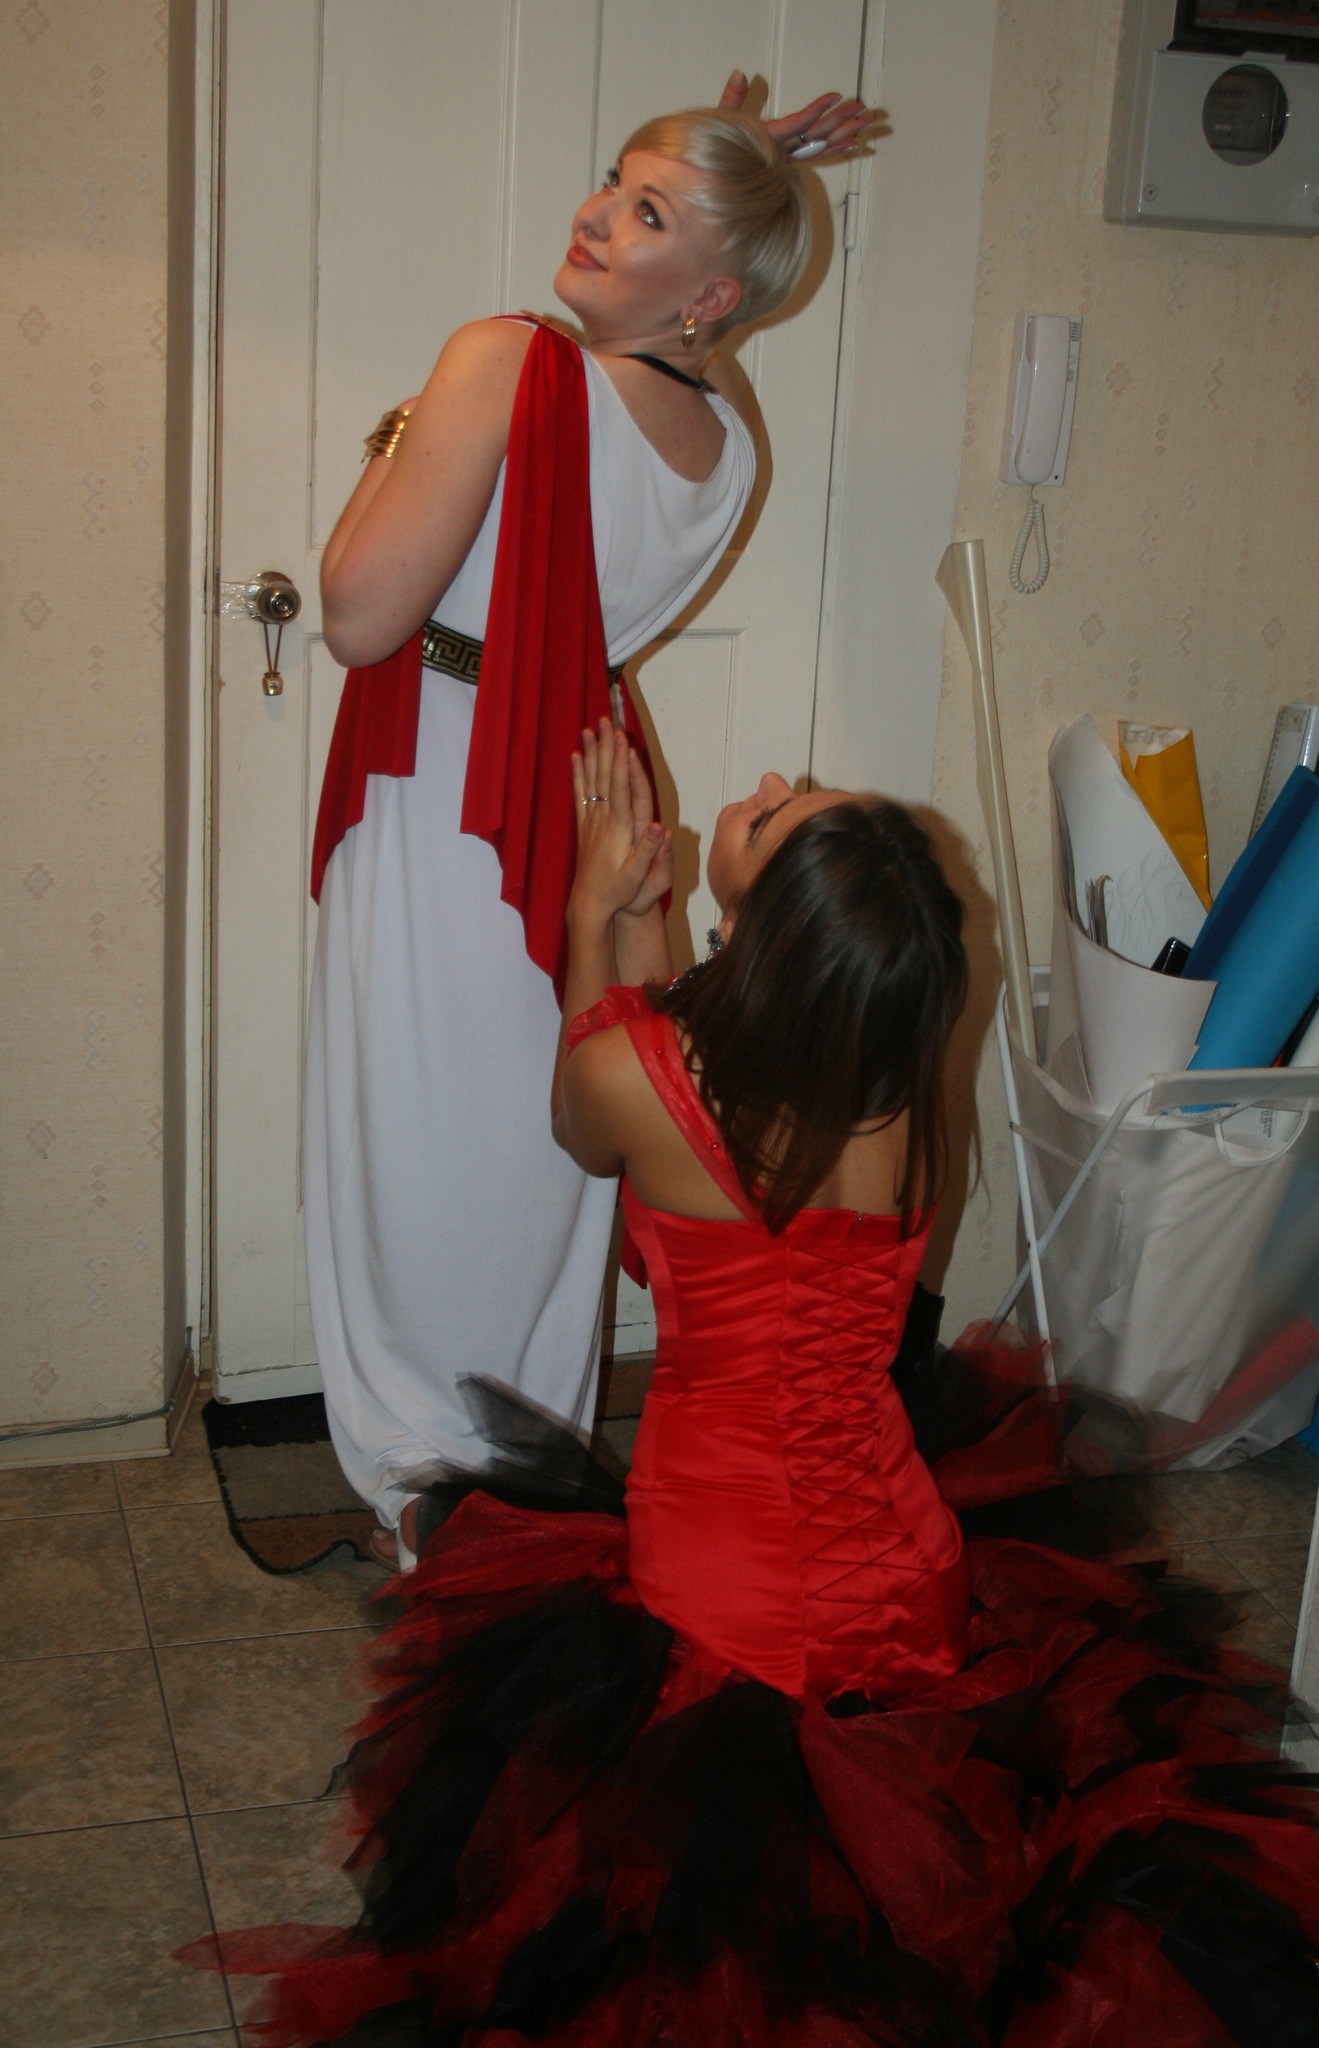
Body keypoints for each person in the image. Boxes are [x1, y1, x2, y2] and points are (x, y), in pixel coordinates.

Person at [203, 727, 1319, 2045]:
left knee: (693, 1939)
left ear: (772, 936)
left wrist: (592, 910)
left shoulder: (645, 1080)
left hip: (724, 1603)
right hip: (903, 1571)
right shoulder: (901, 1082)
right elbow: (704, 1068)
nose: (761, 788)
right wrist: (657, 914)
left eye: (776, 814)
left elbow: (586, 1106)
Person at [305, 88, 872, 1568]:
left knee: (411, 1139)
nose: (595, 215)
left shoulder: (505, 361)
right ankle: (525, 1471)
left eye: (645, 212)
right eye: (611, 183)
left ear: (711, 294)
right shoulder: (731, 440)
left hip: (448, 789)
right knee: (540, 1143)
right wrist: (743, 182)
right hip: (585, 791)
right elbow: (648, 403)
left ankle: (423, 1487)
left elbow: (357, 614)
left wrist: (404, 429)